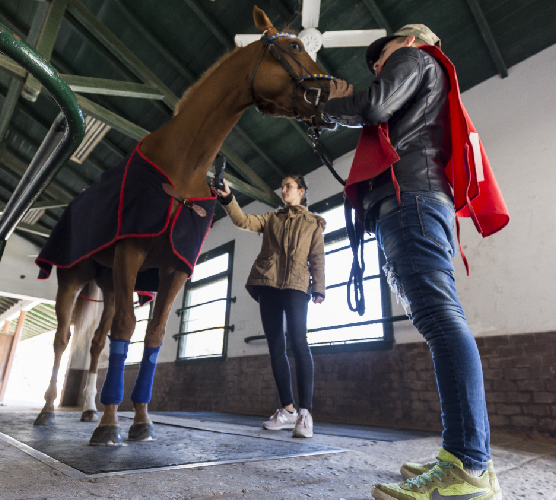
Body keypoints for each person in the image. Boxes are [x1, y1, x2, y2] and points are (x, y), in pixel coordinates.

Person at [322, 24, 508, 500]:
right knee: (440, 319)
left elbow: (373, 106)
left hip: (412, 201)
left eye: (380, 55)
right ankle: (464, 456)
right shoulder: (426, 70)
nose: (377, 65)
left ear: (406, 41)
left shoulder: (414, 56)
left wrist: (328, 105)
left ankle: (468, 467)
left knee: (441, 320)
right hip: (417, 201)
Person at [215, 175, 325, 438]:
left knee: (299, 343)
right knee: (276, 346)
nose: (283, 189)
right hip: (267, 284)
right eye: (282, 186)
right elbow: (242, 220)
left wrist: (319, 287)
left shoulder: (313, 223)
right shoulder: (271, 218)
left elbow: (317, 257)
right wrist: (228, 198)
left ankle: (305, 413)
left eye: (289, 186)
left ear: (301, 191)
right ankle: (288, 409)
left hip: (297, 285)